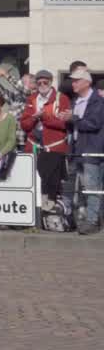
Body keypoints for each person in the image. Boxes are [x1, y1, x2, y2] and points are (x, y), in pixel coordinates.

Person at [20, 69, 71, 214]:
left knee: (51, 182)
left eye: (45, 82)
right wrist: (35, 117)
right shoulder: (32, 99)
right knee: (33, 180)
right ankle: (36, 212)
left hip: (53, 146)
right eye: (39, 82)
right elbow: (24, 125)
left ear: (51, 81)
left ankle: (50, 210)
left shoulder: (62, 98)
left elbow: (63, 124)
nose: (42, 84)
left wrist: (44, 117)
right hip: (34, 145)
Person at [64, 67, 104, 234]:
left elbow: (93, 124)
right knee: (81, 187)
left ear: (87, 82)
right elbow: (76, 125)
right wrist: (66, 119)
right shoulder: (76, 101)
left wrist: (72, 119)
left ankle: (93, 221)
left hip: (91, 150)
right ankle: (84, 218)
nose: (73, 83)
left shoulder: (98, 102)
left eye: (77, 80)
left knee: (92, 187)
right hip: (77, 149)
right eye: (73, 80)